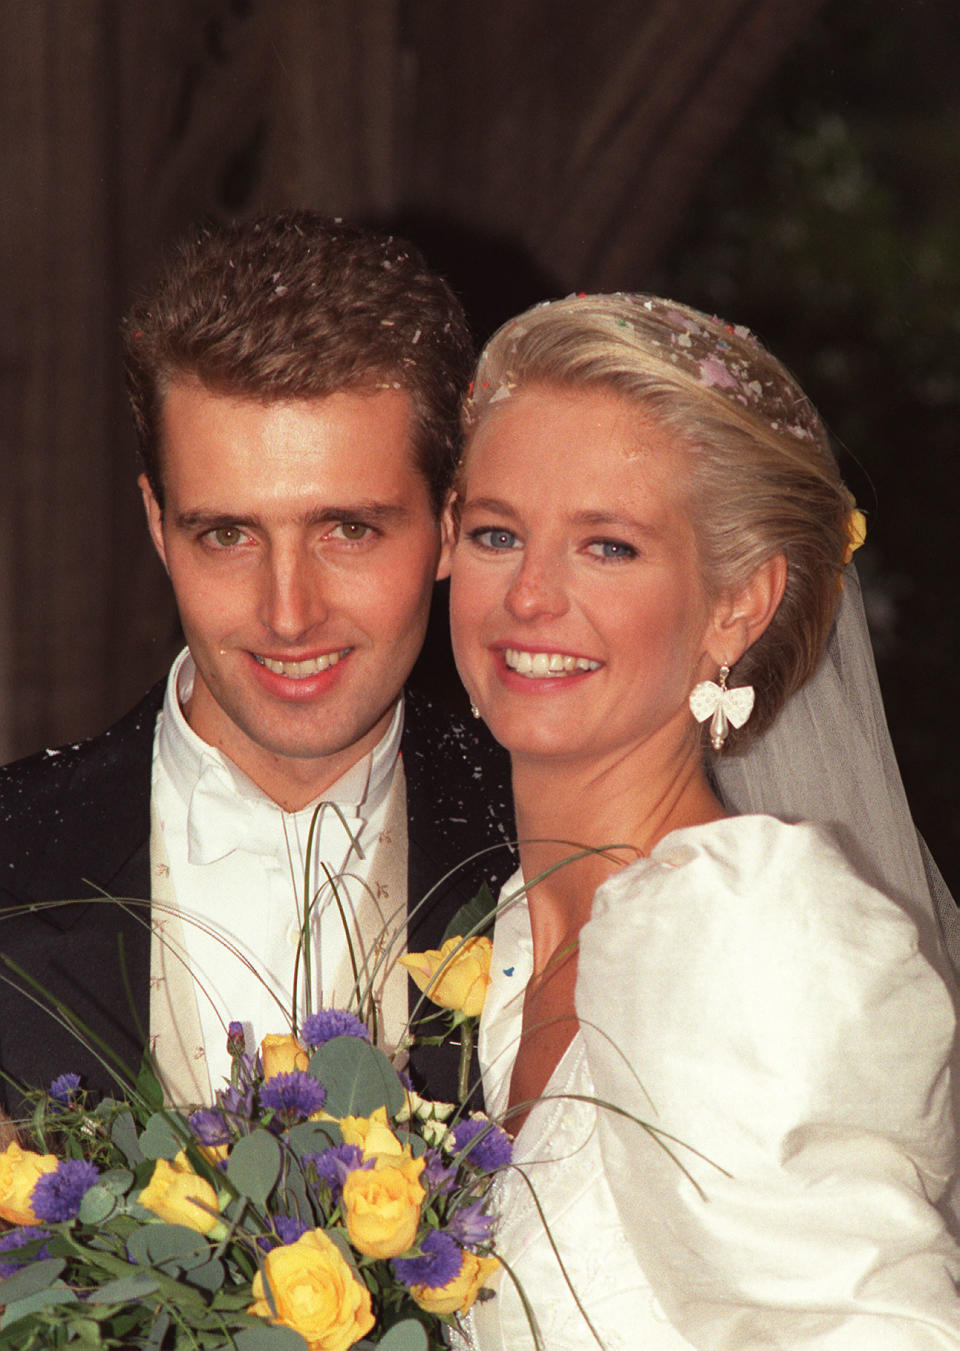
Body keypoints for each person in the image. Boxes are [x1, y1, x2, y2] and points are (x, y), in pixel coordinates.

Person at [445, 293, 960, 1348]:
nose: (531, 595)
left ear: (738, 603)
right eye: (499, 532)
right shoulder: (499, 944)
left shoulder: (752, 929)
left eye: (610, 547)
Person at [0, 211, 514, 1115]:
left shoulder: (559, 865)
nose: (288, 613)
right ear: (159, 524)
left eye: (348, 529)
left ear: (449, 522)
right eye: (227, 534)